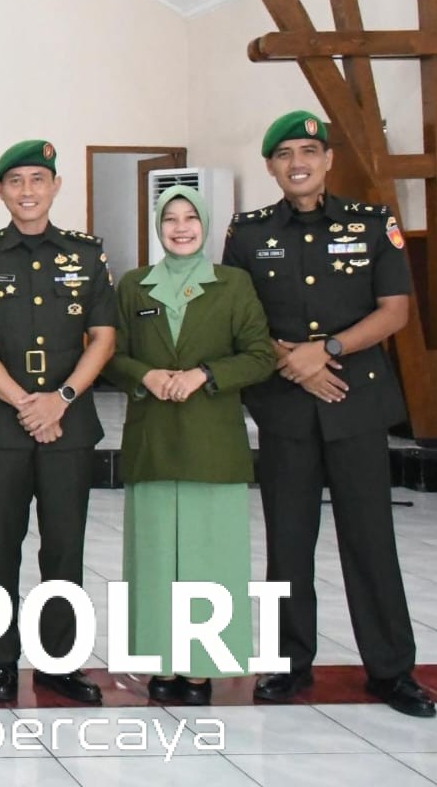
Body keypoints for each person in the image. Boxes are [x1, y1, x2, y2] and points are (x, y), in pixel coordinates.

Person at [222, 110, 434, 718]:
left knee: (370, 541)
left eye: (309, 151)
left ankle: (391, 670)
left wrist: (328, 349)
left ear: (328, 160)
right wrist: (295, 361)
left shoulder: (372, 223)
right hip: (286, 405)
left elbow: (395, 310)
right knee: (288, 542)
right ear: (271, 166)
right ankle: (288, 664)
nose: (298, 163)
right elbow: (241, 317)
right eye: (285, 154)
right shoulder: (249, 233)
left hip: (355, 403)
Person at [0, 139, 114, 704]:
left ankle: (59, 661)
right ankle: (0, 660)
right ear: (0, 190)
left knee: (64, 546)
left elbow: (104, 338)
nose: (27, 191)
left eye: (38, 180)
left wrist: (60, 399)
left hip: (69, 424)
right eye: (16, 181)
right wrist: (28, 403)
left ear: (55, 186)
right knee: (1, 544)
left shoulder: (87, 255)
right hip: (2, 426)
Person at [105, 185, 275, 705]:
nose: (181, 227)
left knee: (209, 558)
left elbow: (260, 355)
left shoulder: (233, 284)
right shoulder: (134, 286)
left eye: (190, 218)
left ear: (205, 224)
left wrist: (206, 374)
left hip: (212, 441)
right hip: (153, 438)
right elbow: (111, 355)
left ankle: (200, 668)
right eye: (170, 218)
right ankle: (162, 659)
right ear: (158, 227)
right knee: (155, 556)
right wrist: (146, 375)